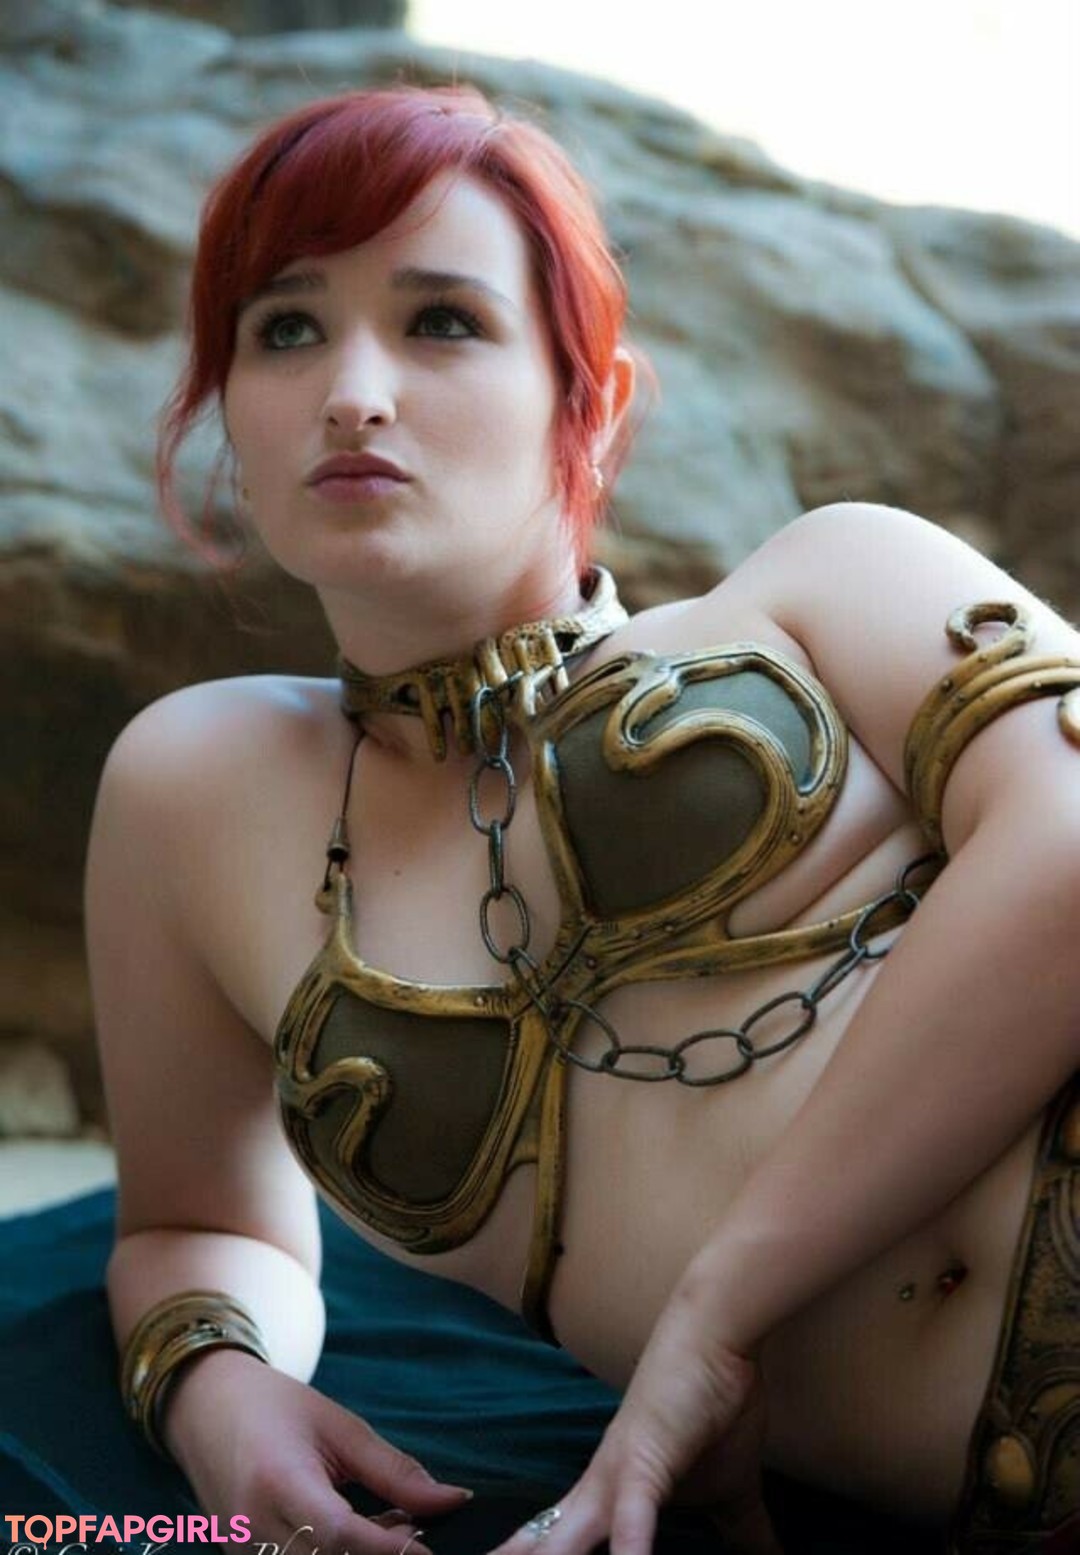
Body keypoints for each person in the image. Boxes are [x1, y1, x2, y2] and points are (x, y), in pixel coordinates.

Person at [86, 83, 1080, 1555]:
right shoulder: (191, 792)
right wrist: (217, 1393)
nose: (354, 390)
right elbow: (195, 1225)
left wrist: (717, 1313)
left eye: (442, 320)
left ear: (589, 400)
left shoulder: (831, 583)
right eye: (285, 329)